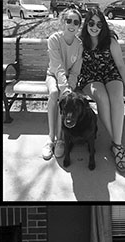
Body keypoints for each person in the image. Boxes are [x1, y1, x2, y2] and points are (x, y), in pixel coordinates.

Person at [77, 9, 125, 172]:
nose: (94, 27)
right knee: (102, 98)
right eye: (91, 23)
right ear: (86, 24)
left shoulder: (110, 41)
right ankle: (117, 144)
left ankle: (117, 145)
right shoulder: (81, 41)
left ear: (103, 25)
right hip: (90, 77)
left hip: (110, 73)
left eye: (98, 23)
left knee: (116, 98)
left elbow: (120, 66)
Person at [43, 6, 83, 161]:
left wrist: (69, 87)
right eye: (69, 21)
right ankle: (50, 138)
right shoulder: (54, 39)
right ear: (63, 22)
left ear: (79, 25)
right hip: (53, 76)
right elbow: (58, 67)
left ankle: (61, 139)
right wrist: (64, 88)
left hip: (68, 81)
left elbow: (75, 71)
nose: (72, 25)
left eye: (76, 22)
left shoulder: (79, 45)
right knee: (54, 93)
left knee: (66, 100)